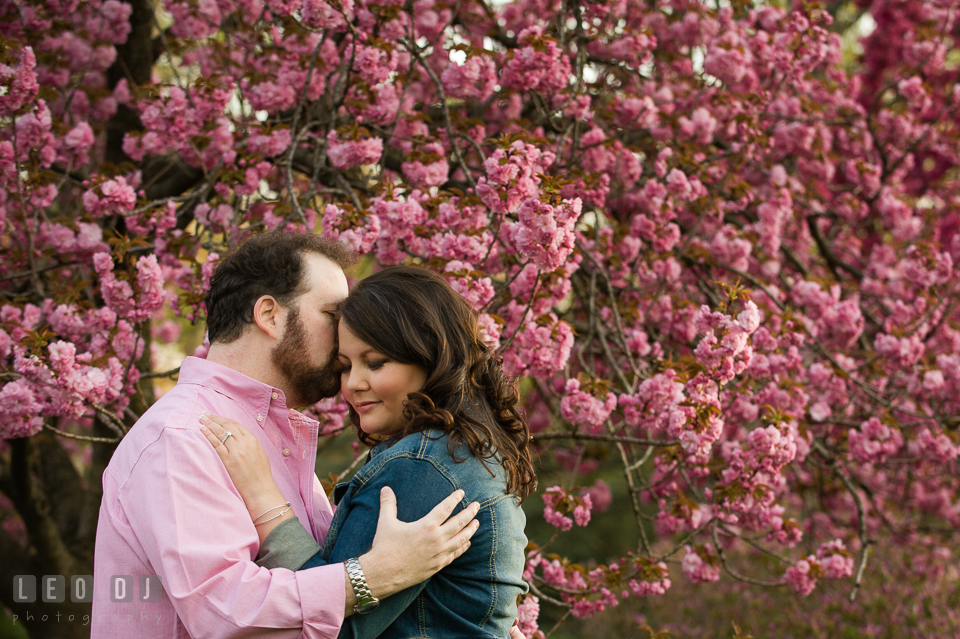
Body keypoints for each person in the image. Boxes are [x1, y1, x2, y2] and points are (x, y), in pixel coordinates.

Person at [92, 232, 481, 639]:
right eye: (333, 315)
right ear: (270, 316)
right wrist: (374, 576)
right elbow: (224, 613)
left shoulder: (271, 437)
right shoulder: (184, 436)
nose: (348, 332)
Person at [199, 265, 537, 639]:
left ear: (430, 357)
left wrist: (263, 497)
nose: (353, 385)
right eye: (345, 367)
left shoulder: (423, 466)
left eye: (375, 363)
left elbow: (333, 628)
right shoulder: (464, 449)